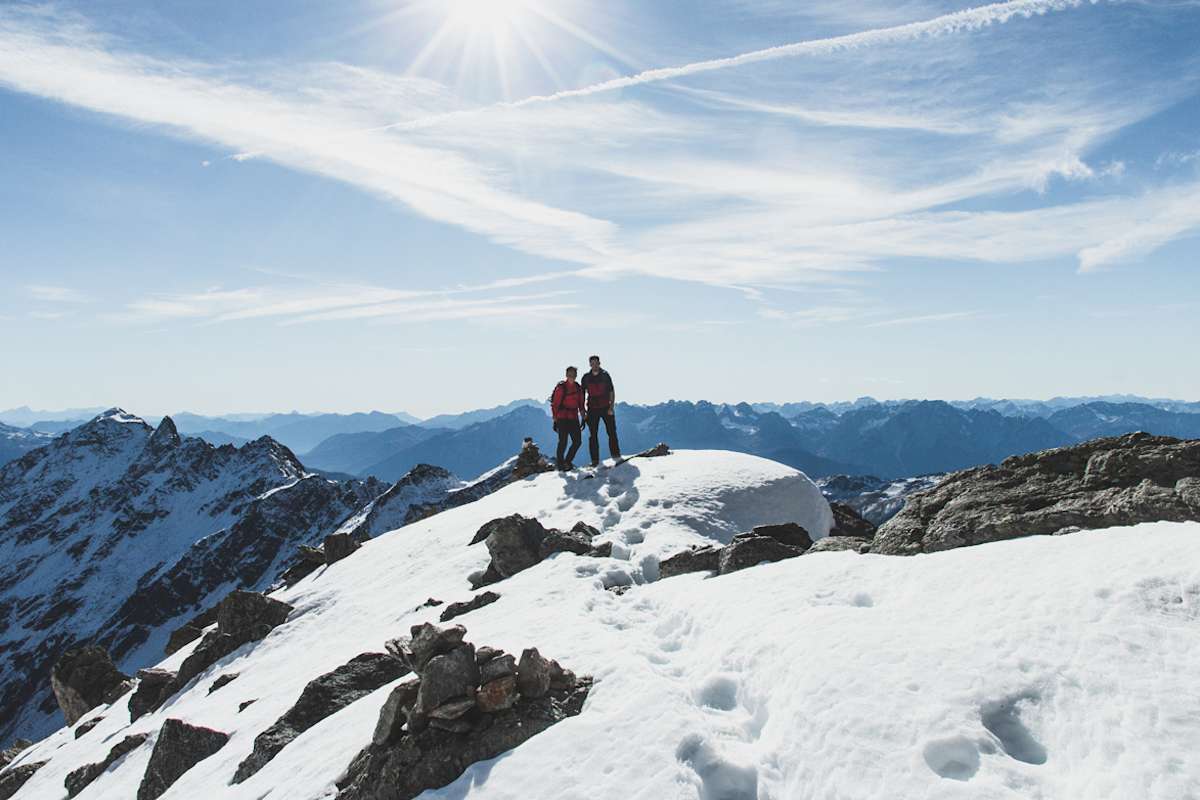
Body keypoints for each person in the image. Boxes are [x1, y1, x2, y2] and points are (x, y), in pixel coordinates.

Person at [580, 354, 621, 467]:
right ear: (590, 364)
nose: (594, 365)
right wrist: (582, 411)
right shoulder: (586, 378)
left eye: (596, 363)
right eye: (592, 363)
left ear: (599, 363)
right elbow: (581, 395)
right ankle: (595, 461)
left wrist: (611, 407)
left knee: (612, 432)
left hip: (606, 407)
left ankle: (616, 456)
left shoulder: (605, 375)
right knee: (593, 435)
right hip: (592, 409)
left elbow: (612, 392)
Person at [549, 366, 584, 470]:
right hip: (562, 418)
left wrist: (583, 417)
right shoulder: (561, 388)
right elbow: (555, 405)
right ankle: (561, 464)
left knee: (577, 442)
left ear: (576, 375)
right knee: (563, 441)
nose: (571, 376)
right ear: (566, 375)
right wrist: (555, 420)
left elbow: (581, 404)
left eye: (573, 374)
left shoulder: (578, 388)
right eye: (569, 374)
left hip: (573, 418)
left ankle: (567, 462)